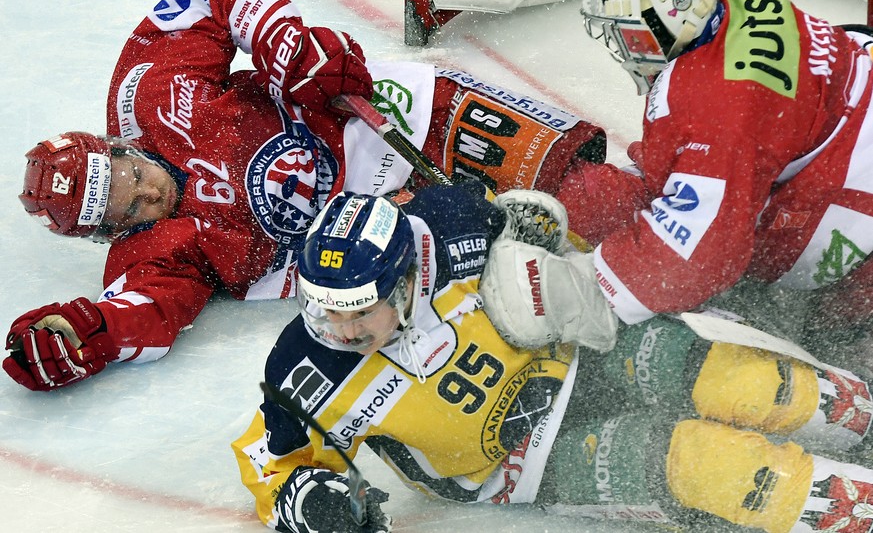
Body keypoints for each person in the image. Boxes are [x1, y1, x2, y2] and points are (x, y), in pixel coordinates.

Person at [2, 0, 606, 392]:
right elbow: (143, 314)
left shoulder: (148, 91)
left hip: (389, 118)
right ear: (110, 235)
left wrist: (285, 44)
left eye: (131, 174)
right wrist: (90, 333)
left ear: (116, 146)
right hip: (389, 246)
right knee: (541, 285)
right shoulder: (152, 257)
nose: (150, 193)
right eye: (131, 210)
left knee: (585, 193)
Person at [232, 183, 873, 533]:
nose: (338, 329)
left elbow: (552, 245)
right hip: (522, 464)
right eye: (321, 308)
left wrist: (548, 242)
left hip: (584, 354)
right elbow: (271, 459)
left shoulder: (451, 223)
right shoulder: (302, 371)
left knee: (754, 385)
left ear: (405, 281)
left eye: (357, 309)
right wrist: (305, 499)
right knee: (704, 461)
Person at [513, 0, 873, 366]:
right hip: (854, 97)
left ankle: (850, 338)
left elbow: (703, 255)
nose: (625, 49)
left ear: (668, 21)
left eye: (631, 35)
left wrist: (588, 288)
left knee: (833, 350)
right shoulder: (727, 3)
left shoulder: (718, 102)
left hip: (856, 196)